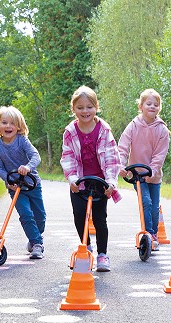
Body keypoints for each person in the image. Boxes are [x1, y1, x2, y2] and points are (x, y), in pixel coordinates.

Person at [60, 85, 122, 272]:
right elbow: (68, 156)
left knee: (100, 219)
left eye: (89, 107)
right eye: (80, 107)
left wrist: (111, 182)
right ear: (74, 109)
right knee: (79, 216)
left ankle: (102, 254)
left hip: (100, 183)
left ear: (96, 107)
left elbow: (112, 158)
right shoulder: (70, 132)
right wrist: (72, 179)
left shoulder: (104, 130)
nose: (85, 111)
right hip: (79, 182)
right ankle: (85, 247)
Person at [0, 106, 47, 259]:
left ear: (19, 126)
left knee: (40, 217)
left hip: (32, 184)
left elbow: (36, 156)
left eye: (12, 123)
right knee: (26, 214)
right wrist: (8, 181)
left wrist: (28, 167)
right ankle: (37, 244)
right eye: (4, 123)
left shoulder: (22, 141)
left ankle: (36, 237)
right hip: (15, 187)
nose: (8, 126)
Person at [118, 89, 170, 251]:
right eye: (148, 104)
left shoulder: (162, 130)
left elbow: (159, 155)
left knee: (154, 207)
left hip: (153, 176)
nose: (152, 107)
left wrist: (152, 172)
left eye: (156, 104)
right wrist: (120, 165)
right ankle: (149, 234)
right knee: (146, 202)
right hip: (136, 174)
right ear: (141, 106)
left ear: (159, 108)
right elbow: (123, 147)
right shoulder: (133, 126)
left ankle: (152, 234)